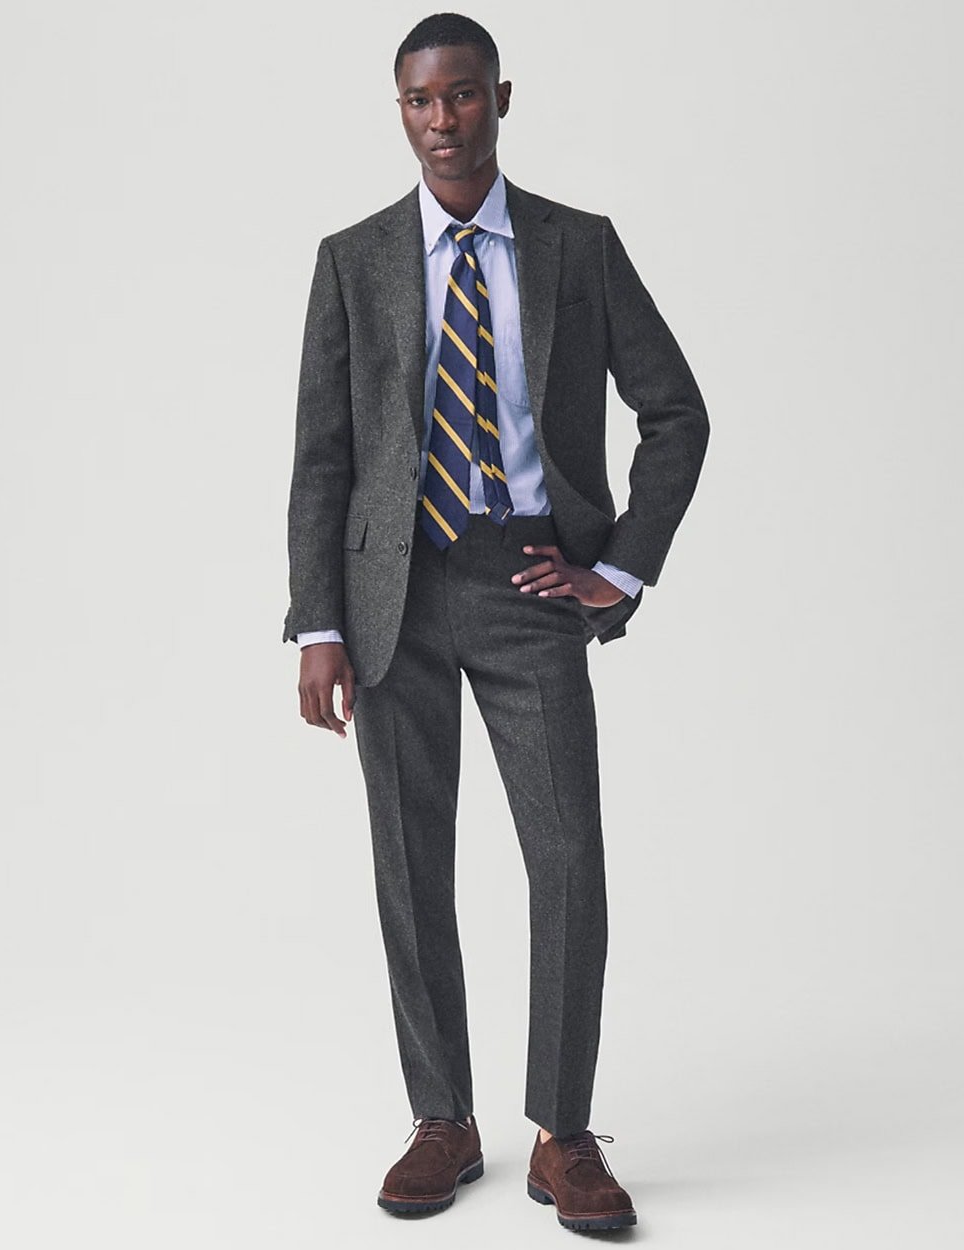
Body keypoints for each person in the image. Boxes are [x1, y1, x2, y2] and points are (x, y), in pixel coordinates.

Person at [282, 11, 709, 1233]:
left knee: (566, 855)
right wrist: (317, 622)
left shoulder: (578, 246)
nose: (442, 121)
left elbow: (676, 413)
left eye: (462, 95)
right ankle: (442, 1119)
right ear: (400, 112)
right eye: (420, 101)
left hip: (529, 582)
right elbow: (323, 455)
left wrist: (616, 569)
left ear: (501, 99)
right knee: (410, 860)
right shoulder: (354, 258)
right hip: (393, 596)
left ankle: (562, 1133)